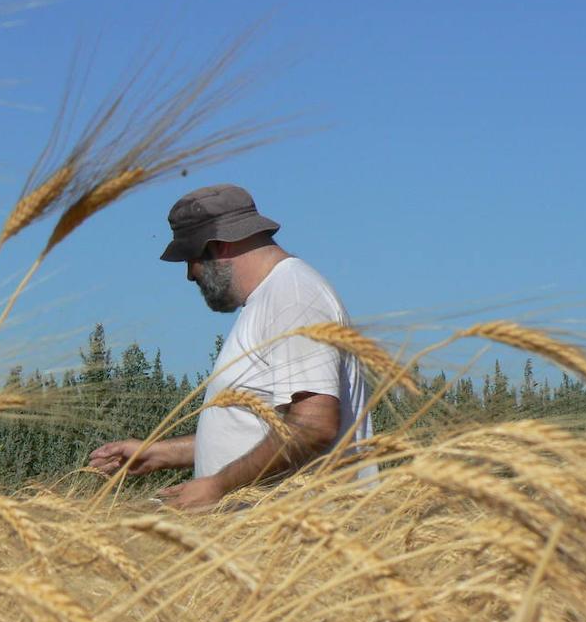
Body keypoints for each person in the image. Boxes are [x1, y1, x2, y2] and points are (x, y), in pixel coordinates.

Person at [88, 184, 373, 509]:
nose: (189, 275)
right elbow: (259, 433)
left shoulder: (293, 296)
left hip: (300, 541)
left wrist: (218, 486)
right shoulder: (270, 300)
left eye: (190, 260)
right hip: (272, 543)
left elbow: (312, 426)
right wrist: (160, 453)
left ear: (218, 246)